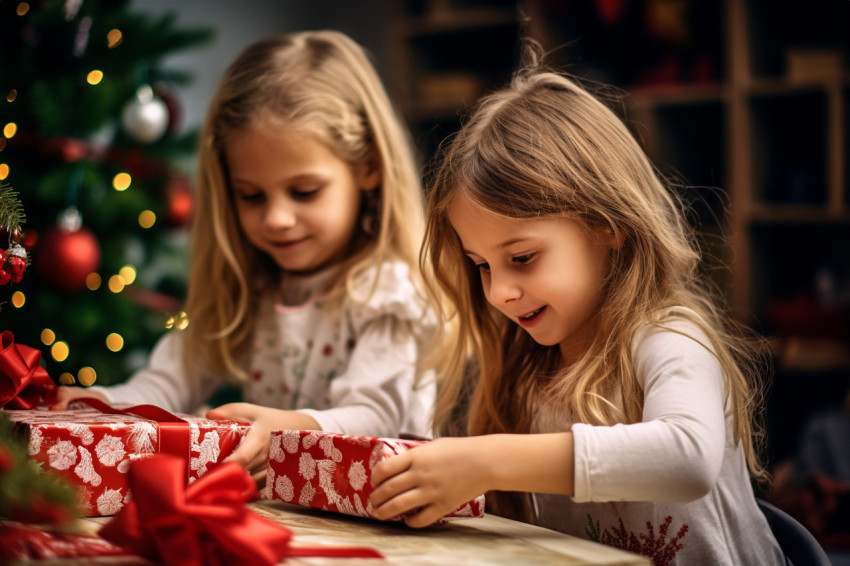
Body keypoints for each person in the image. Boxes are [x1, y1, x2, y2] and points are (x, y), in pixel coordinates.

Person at [369, 42, 785, 565]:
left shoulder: (669, 338)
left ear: (607, 226)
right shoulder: (523, 374)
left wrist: (487, 460)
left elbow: (687, 459)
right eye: (482, 265)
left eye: (521, 257)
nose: (498, 292)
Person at [53, 30, 436, 477]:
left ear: (368, 167)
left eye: (304, 192)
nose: (276, 218)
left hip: (388, 513)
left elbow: (377, 414)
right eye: (252, 196)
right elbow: (172, 379)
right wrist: (110, 401)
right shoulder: (251, 285)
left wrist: (284, 430)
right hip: (298, 517)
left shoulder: (388, 289)